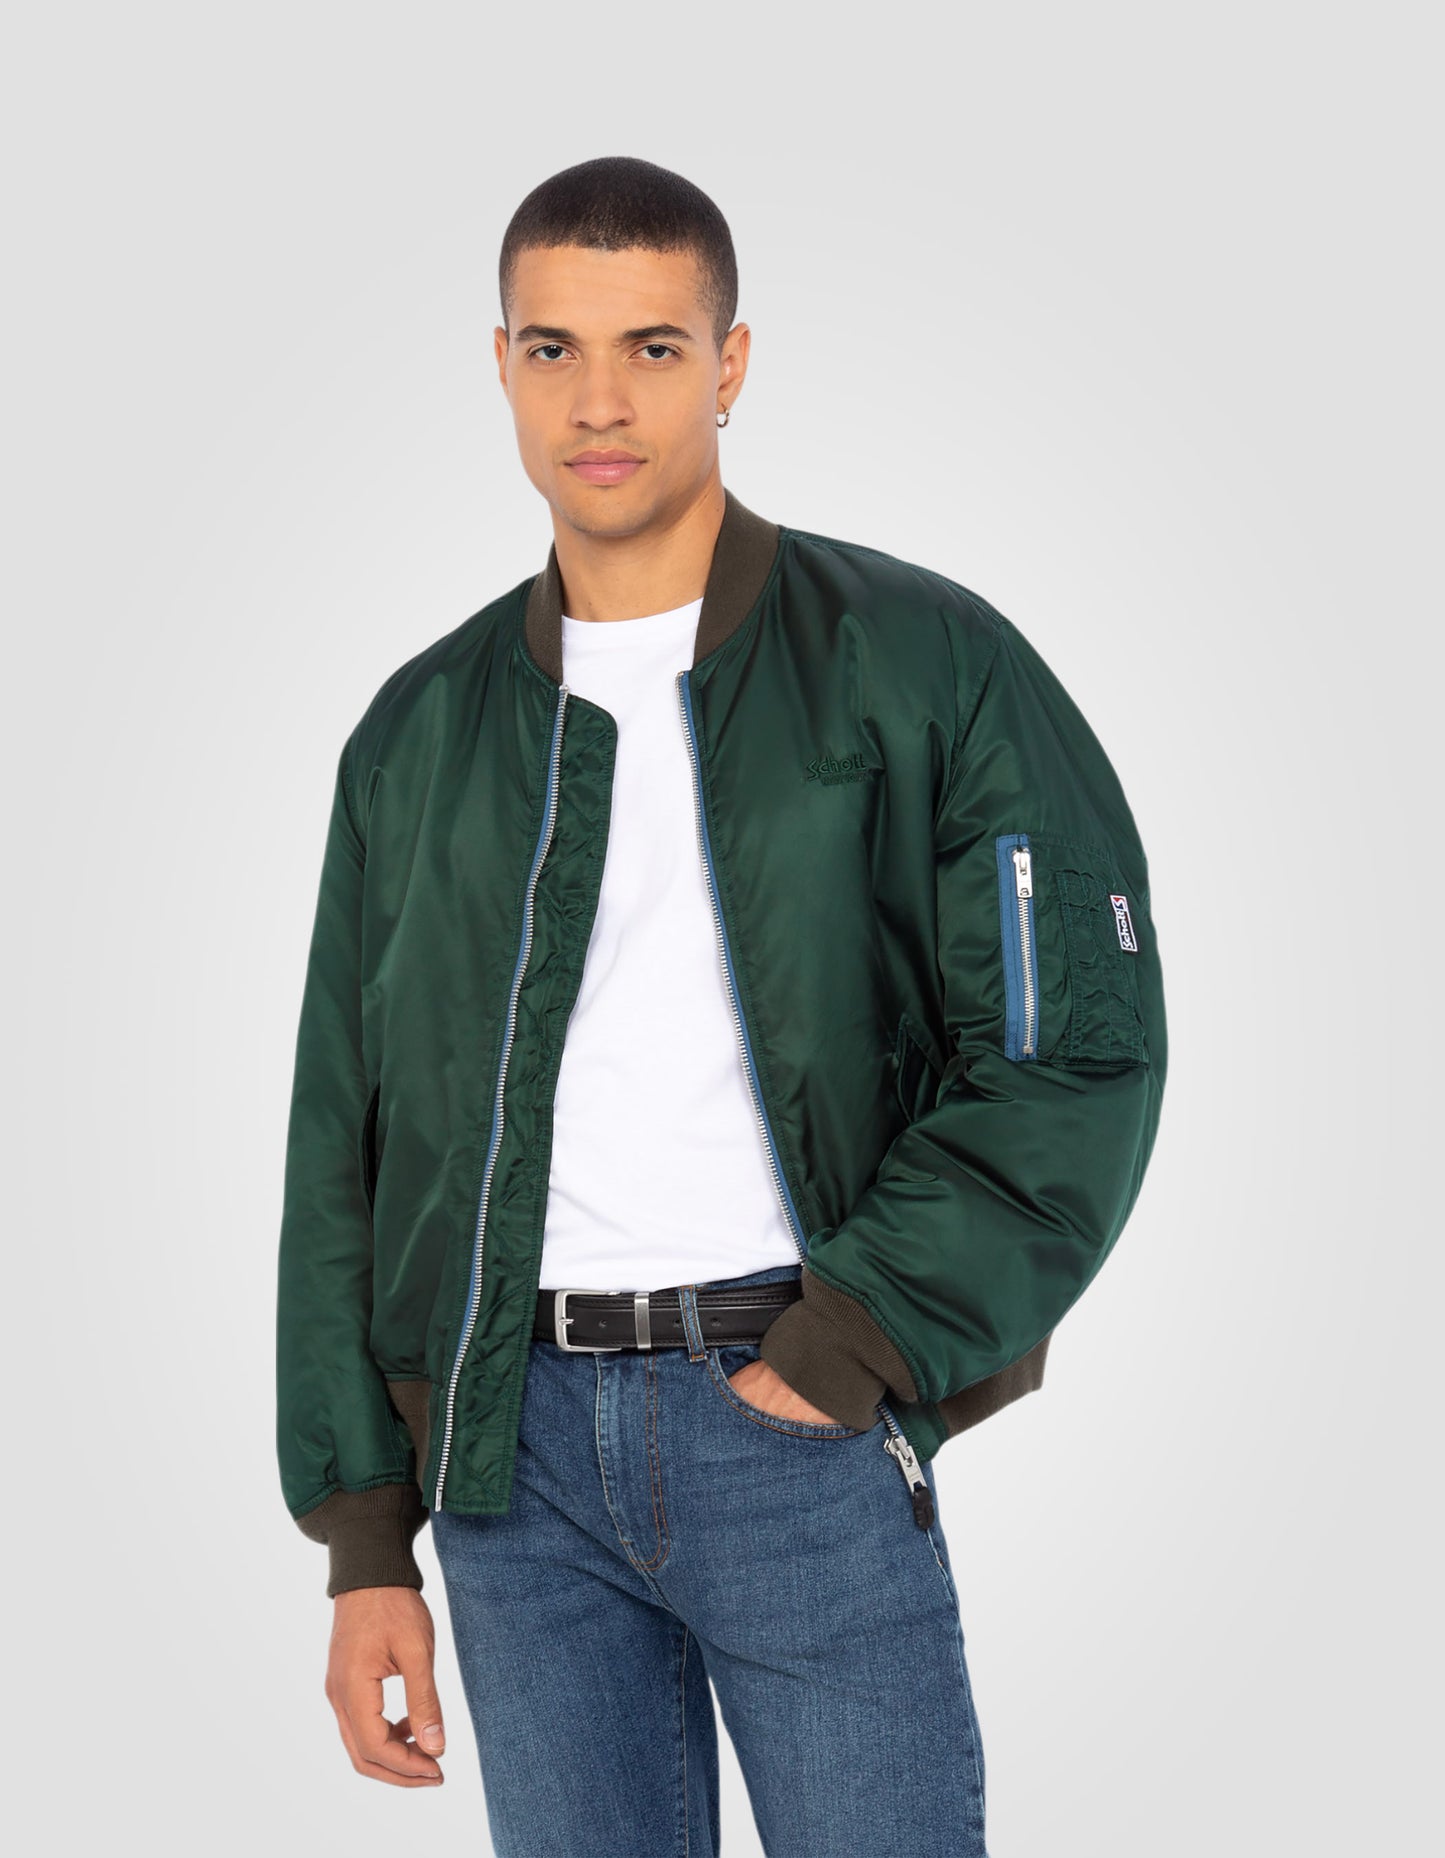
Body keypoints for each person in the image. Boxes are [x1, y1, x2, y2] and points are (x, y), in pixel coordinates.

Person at [275, 154, 1168, 1858]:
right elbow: (344, 1136)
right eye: (553, 349)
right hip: (508, 1459)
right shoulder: (418, 732)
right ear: (500, 366)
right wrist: (365, 1536)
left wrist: (853, 1344)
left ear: (731, 362)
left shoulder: (924, 662)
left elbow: (1074, 1047)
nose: (598, 401)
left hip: (792, 1408)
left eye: (653, 348)